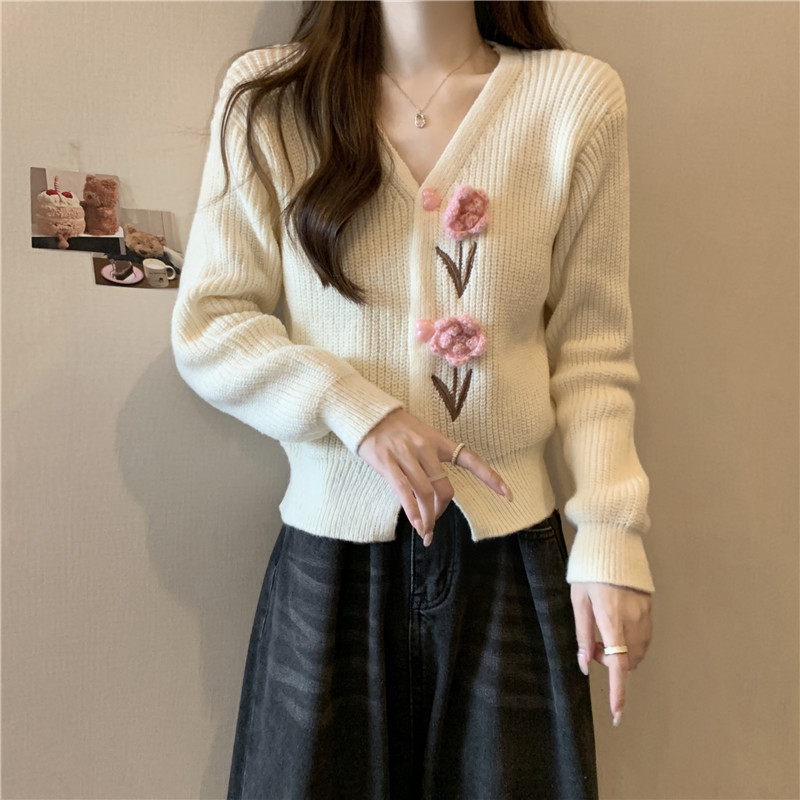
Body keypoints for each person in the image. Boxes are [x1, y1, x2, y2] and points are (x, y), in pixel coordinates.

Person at [171, 1, 655, 797]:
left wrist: (611, 533)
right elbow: (211, 325)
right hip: (332, 560)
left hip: (508, 559)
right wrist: (355, 410)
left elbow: (593, 347)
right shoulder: (273, 100)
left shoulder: (572, 99)